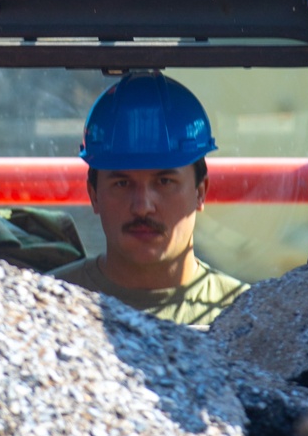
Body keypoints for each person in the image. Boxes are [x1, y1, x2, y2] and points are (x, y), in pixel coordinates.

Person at [53, 71, 247, 326]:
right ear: (94, 195)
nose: (142, 206)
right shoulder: (48, 307)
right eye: (122, 184)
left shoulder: (247, 316)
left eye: (164, 182)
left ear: (200, 192)